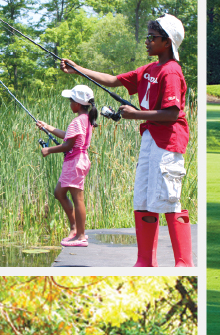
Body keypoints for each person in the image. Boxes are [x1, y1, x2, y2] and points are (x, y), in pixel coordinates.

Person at [57, 14, 191, 267]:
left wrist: (135, 115)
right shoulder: (149, 69)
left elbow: (173, 113)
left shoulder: (172, 72)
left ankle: (183, 264)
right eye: (148, 36)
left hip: (168, 142)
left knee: (170, 200)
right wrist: (78, 69)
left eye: (152, 37)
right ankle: (144, 262)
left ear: (167, 42)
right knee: (142, 199)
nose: (147, 41)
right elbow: (114, 80)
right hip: (150, 138)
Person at [36, 84, 99, 248]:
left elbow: (67, 145)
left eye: (70, 100)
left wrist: (48, 150)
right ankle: (75, 228)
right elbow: (68, 137)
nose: (69, 104)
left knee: (78, 199)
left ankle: (81, 236)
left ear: (77, 104)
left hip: (75, 161)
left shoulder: (77, 121)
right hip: (78, 160)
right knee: (59, 192)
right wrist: (47, 127)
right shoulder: (85, 119)